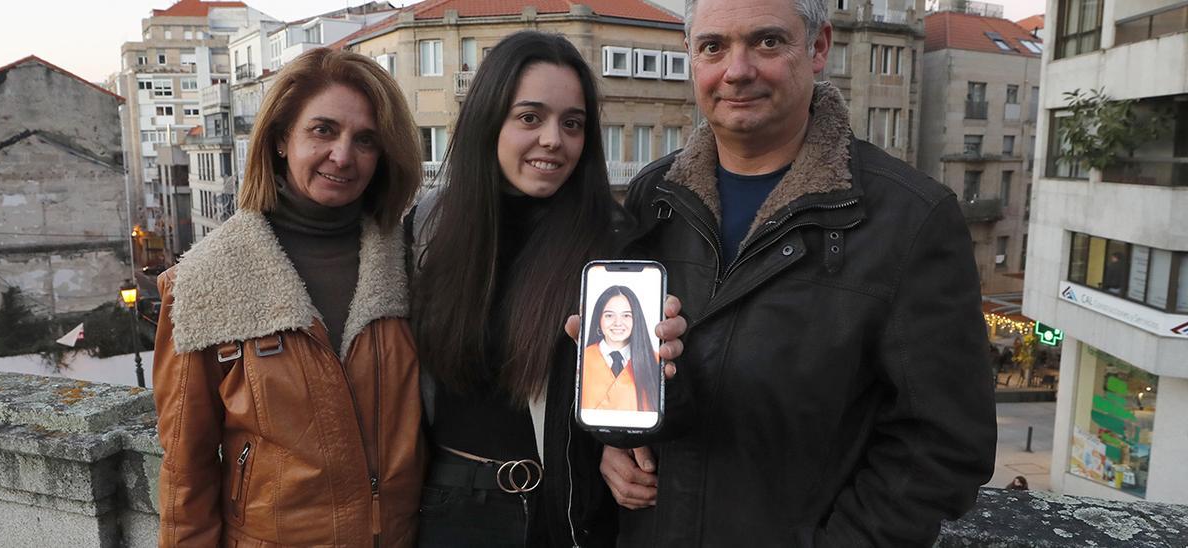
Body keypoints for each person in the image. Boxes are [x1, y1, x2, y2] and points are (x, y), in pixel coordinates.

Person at [597, 0, 997, 545]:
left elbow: (943, 447)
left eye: (766, 42)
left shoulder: (911, 218)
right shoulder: (655, 196)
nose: (737, 71)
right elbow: (646, 378)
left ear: (819, 48)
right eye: (713, 47)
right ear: (691, 57)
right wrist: (616, 440)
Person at [409, 31, 685, 547]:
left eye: (572, 123)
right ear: (490, 120)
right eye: (530, 117)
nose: (554, 140)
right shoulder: (429, 228)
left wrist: (625, 437)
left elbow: (626, 400)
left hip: (559, 513)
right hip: (442, 508)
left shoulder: (614, 244)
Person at [151, 49, 425, 547]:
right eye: (323, 130)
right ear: (280, 139)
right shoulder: (205, 279)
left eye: (365, 140)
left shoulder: (412, 263)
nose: (343, 156)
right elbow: (185, 472)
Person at [581, 285, 660, 411]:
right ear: (599, 319)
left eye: (626, 315)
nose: (618, 323)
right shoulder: (581, 359)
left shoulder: (655, 360)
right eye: (609, 315)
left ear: (636, 319)